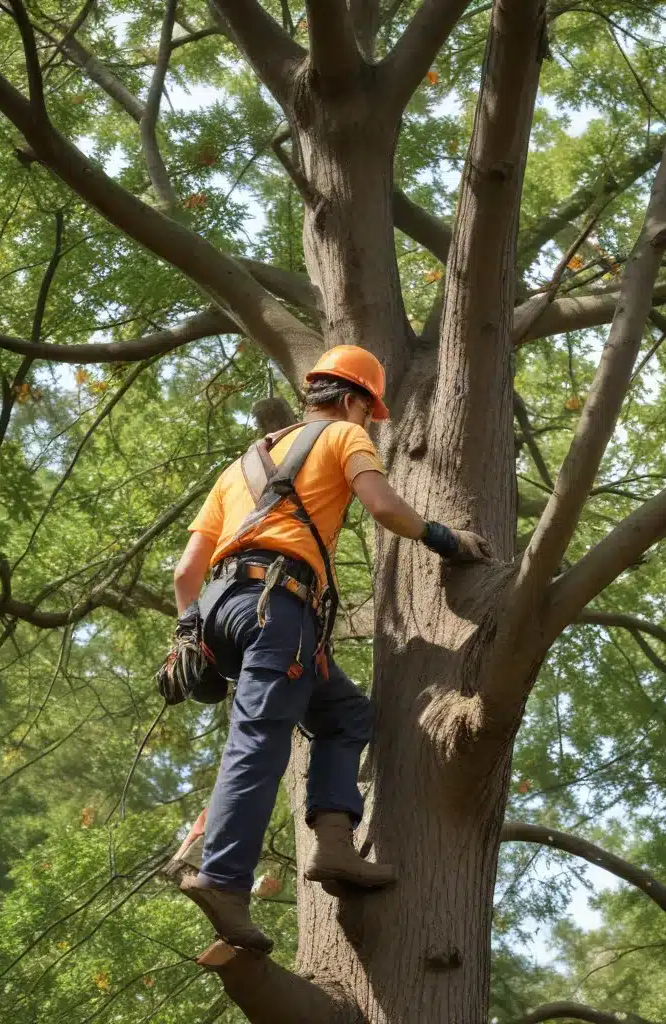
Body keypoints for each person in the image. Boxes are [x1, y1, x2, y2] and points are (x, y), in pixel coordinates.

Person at [172, 345, 492, 952]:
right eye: (370, 412)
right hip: (278, 604)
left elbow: (187, 571)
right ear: (352, 401)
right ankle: (222, 880)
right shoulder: (345, 437)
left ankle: (336, 846)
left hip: (221, 610)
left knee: (346, 714)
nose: (370, 424)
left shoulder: (240, 467)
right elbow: (383, 505)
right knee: (260, 736)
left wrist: (190, 630)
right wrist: (446, 539)